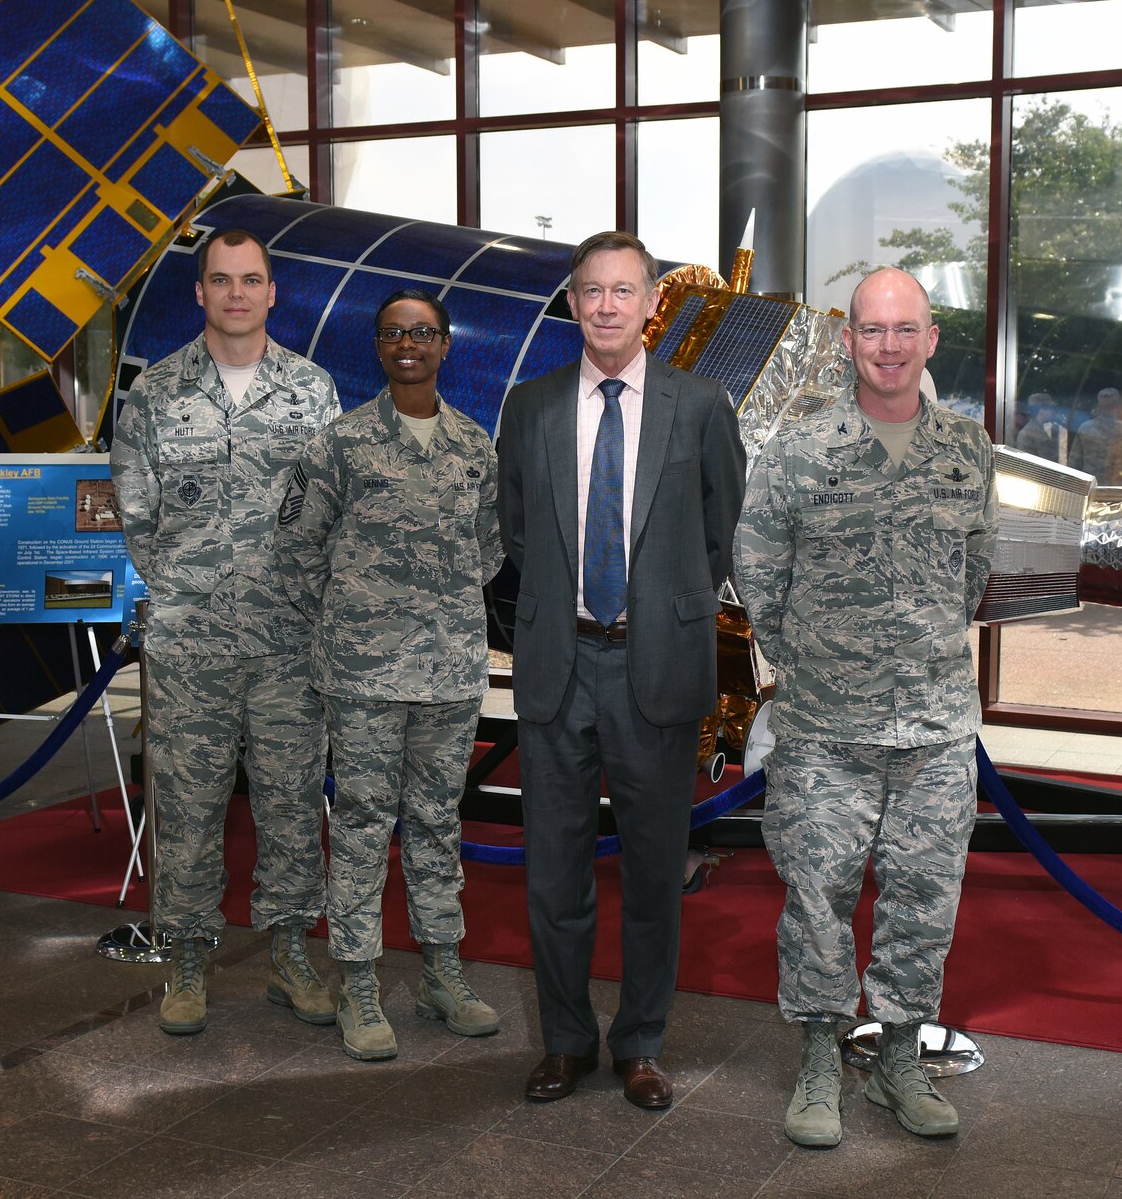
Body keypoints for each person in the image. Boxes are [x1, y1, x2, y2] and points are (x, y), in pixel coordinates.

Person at [733, 266, 995, 1149]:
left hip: (934, 725)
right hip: (824, 731)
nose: (888, 346)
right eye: (871, 330)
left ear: (930, 339)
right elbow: (758, 572)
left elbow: (973, 572)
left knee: (925, 896)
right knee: (817, 895)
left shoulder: (969, 448)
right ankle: (819, 1052)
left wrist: (913, 648)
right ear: (848, 340)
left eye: (904, 329)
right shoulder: (801, 449)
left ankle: (898, 1059)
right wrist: (819, 659)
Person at [496, 230, 746, 1110]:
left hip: (656, 669)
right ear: (572, 304)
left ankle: (640, 1043)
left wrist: (664, 599)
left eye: (623, 290)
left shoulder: (703, 403)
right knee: (554, 875)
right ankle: (565, 1040)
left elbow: (720, 531)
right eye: (590, 290)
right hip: (558, 667)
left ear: (651, 304)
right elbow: (520, 531)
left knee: (652, 875)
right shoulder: (528, 408)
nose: (606, 304)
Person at [111, 228, 341, 1037]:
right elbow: (137, 513)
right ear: (199, 293)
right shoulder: (155, 394)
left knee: (289, 802)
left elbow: (328, 510)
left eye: (251, 280)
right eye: (221, 280)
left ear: (273, 292)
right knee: (187, 803)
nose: (237, 293)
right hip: (189, 648)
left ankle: (288, 954)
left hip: (287, 644)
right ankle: (185, 958)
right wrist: (187, 589)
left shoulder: (313, 391)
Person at [280, 288, 503, 1062]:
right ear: (377, 346)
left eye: (423, 332)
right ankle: (360, 982)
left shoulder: (475, 446)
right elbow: (299, 548)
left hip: (447, 672)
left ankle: (443, 969)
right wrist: (354, 617)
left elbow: (488, 552)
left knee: (440, 823)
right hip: (366, 674)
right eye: (393, 333)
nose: (408, 343)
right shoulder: (339, 444)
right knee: (365, 825)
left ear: (445, 345)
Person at [1068, 387, 1122, 485]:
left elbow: (1074, 462)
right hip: (1116, 489)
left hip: (1089, 487)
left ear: (1099, 406)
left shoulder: (1085, 428)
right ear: (1118, 406)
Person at [1013, 390, 1065, 463]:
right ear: (1040, 410)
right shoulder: (1027, 433)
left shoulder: (1048, 430)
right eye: (1050, 408)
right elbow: (1026, 464)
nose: (1053, 412)